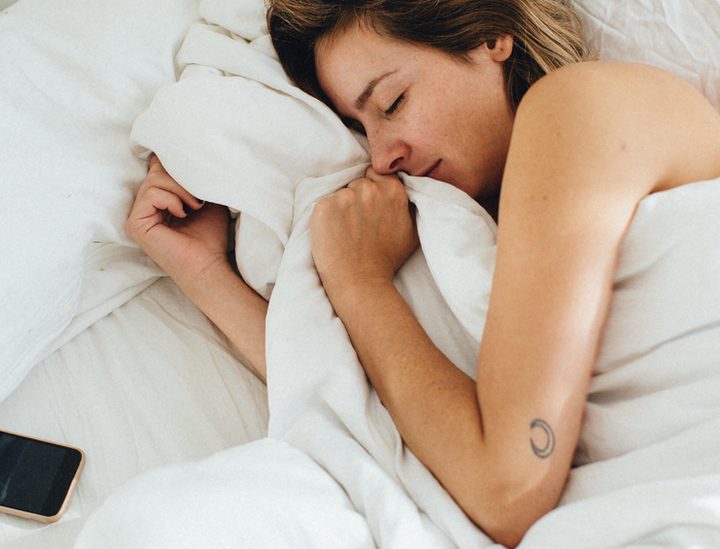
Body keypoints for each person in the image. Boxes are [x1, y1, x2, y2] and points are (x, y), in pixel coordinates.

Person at [124, 0, 720, 545]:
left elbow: (505, 490)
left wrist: (360, 281)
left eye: (391, 103)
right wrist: (203, 271)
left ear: (488, 36)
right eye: (361, 129)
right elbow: (383, 411)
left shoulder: (581, 105)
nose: (382, 155)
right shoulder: (478, 225)